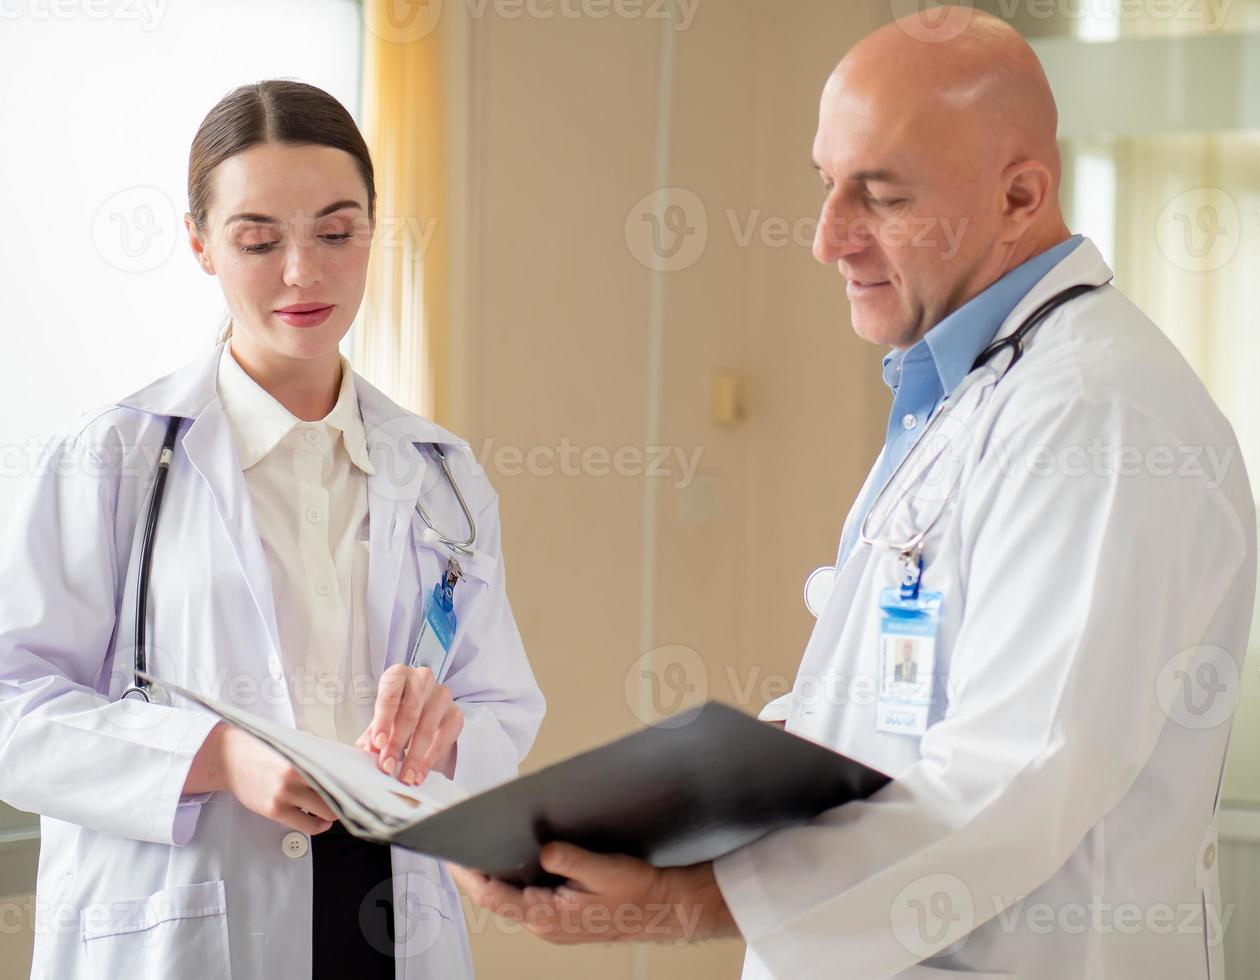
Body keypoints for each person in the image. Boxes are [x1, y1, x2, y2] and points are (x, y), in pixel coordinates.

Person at [451, 10, 1256, 980]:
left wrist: (687, 902)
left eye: (879, 196)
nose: (828, 237)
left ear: (1020, 194)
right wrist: (673, 808)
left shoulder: (1097, 419)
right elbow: (902, 707)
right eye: (826, 185)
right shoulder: (969, 395)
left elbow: (1017, 777)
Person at [0, 80, 545, 979]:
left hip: (385, 919)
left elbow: (501, 706)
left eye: (337, 232)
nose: (304, 272)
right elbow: (14, 711)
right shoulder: (115, 460)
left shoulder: (442, 473)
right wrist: (216, 758)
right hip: (188, 923)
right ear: (200, 245)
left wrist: (443, 732)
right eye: (259, 240)